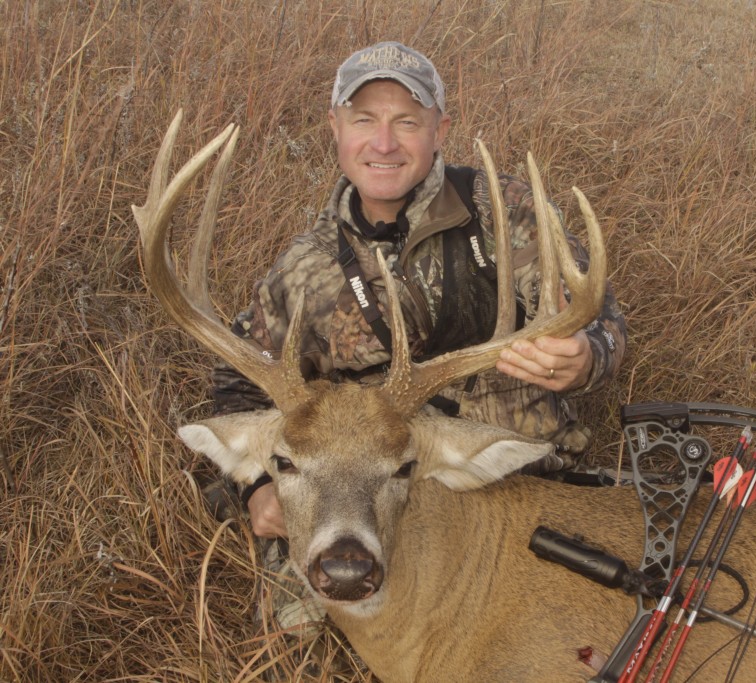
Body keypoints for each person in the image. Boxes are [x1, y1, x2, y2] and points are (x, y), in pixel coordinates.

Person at [206, 41, 626, 633]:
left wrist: (585, 358)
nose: (383, 144)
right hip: (360, 492)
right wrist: (255, 489)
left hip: (514, 480)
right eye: (364, 121)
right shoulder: (300, 270)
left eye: (407, 121)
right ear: (334, 127)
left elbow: (601, 323)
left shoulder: (510, 213)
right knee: (299, 639)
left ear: (440, 128)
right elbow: (238, 393)